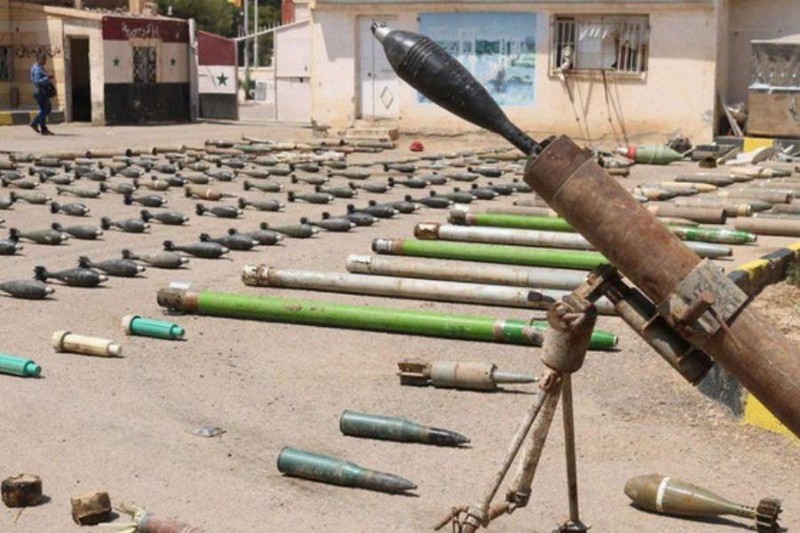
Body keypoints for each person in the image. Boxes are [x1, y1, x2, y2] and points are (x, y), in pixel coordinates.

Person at [30, 51, 54, 135]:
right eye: (44, 58)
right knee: (44, 110)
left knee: (47, 109)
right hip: (40, 92)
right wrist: (47, 78)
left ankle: (38, 125)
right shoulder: (37, 69)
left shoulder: (40, 67)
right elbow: (37, 81)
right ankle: (39, 125)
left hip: (42, 91)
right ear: (39, 59)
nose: (45, 60)